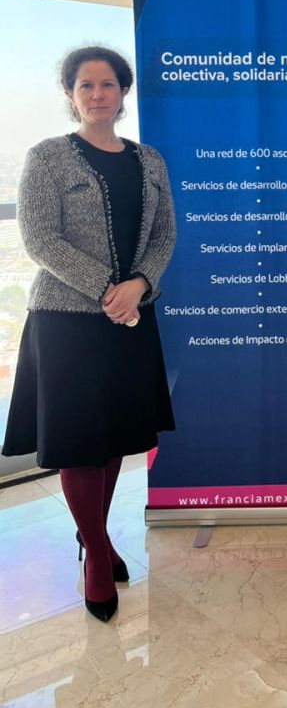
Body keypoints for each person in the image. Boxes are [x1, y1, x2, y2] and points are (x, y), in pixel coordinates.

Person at [2, 46, 176, 622]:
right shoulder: (48, 156)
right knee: (80, 440)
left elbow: (165, 234)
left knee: (115, 435)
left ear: (123, 93)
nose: (97, 94)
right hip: (66, 324)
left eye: (107, 84)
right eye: (85, 85)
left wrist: (140, 284)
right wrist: (108, 288)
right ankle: (98, 553)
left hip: (131, 317)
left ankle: (90, 534)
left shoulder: (149, 161)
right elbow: (39, 238)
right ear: (70, 95)